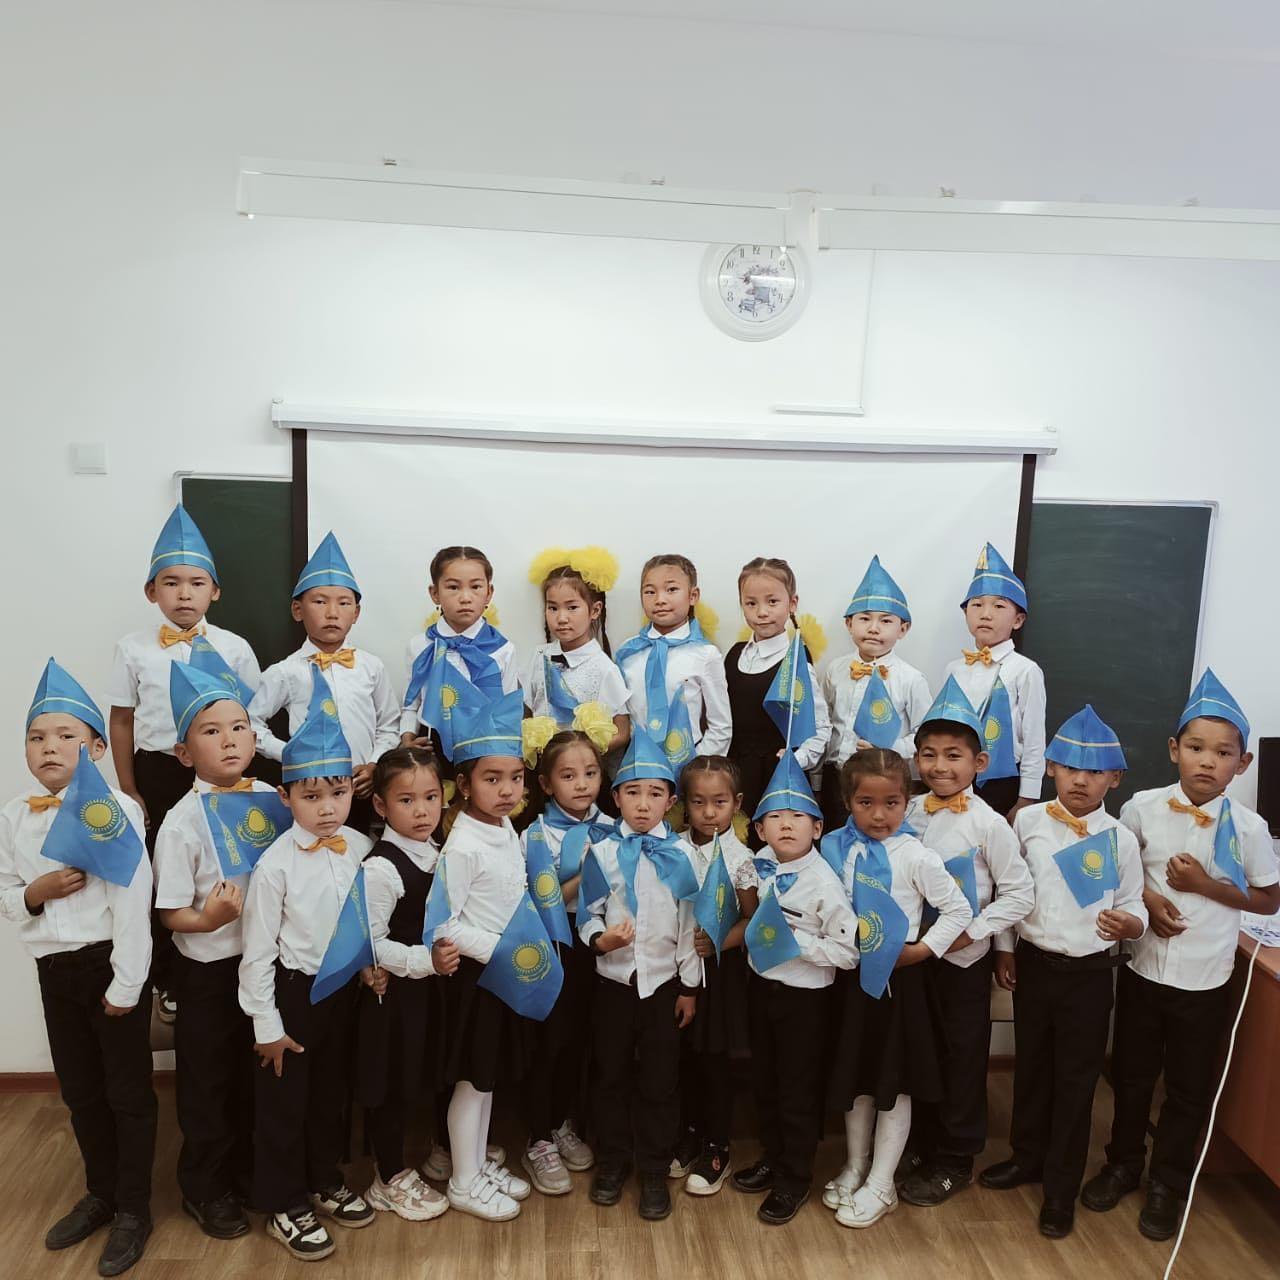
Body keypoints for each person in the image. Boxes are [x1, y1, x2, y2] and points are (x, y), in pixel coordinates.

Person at [1082, 671, 1280, 1241]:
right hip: (1143, 968)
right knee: (1132, 1074)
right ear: (1174, 750)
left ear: (1242, 764)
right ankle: (1123, 1163)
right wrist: (1150, 898)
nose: (1207, 762)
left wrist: (1205, 886)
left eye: (1223, 753)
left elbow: (1269, 898)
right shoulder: (1141, 809)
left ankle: (1168, 1182)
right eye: (1196, 747)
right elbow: (1120, 871)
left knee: (1189, 1088)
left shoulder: (1250, 828)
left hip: (1206, 978)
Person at [1, 660, 155, 1276]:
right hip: (54, 970)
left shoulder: (114, 808)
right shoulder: (15, 814)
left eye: (65, 735)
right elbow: (5, 893)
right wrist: (33, 893)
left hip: (108, 966)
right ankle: (102, 1193)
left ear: (95, 747)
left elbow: (133, 899)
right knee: (81, 1090)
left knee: (127, 1094)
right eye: (36, 737)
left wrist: (126, 984)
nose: (48, 747)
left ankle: (134, 1208)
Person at [981, 705, 1146, 1240]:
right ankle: (1026, 1156)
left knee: (1076, 1080)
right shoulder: (1026, 822)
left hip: (1090, 976)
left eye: (1095, 771)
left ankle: (1060, 1188)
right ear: (1051, 767)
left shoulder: (1120, 838)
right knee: (1032, 1066)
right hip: (1033, 964)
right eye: (1070, 767)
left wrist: (1131, 923)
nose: (1081, 780)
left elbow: (1134, 902)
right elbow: (1009, 891)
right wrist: (1004, 949)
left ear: (1114, 778)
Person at [238, 669, 375, 1261]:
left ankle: (322, 1178)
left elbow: (365, 922)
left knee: (328, 1096)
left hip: (343, 993)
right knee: (283, 1106)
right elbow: (257, 953)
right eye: (311, 796)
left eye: (337, 793)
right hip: (292, 997)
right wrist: (267, 1025)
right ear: (286, 797)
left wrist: (370, 966)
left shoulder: (361, 849)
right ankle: (283, 1200)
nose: (327, 809)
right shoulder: (275, 866)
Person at [109, 504, 260, 1021]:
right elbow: (122, 721)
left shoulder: (234, 648)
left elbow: (251, 718)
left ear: (214, 591)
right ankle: (168, 980)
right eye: (170, 583)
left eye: (196, 583)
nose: (184, 594)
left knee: (223, 863)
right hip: (158, 769)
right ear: (151, 591)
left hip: (222, 767)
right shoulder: (132, 648)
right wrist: (129, 788)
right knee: (163, 873)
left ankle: (236, 961)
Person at [154, 662, 279, 1241]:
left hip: (264, 964)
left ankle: (249, 1172)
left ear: (255, 739)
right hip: (209, 972)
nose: (228, 740)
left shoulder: (273, 800)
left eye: (238, 727)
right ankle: (205, 1187)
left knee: (255, 1076)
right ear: (184, 754)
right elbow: (170, 912)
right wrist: (207, 919)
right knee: (208, 1081)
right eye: (211, 731)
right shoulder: (180, 824)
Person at [823, 748, 973, 1230]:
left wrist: (922, 951)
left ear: (907, 801)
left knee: (895, 1082)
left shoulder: (916, 855)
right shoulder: (834, 848)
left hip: (900, 980)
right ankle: (856, 1165)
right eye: (865, 803)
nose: (878, 815)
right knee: (857, 1079)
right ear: (847, 801)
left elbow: (959, 910)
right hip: (851, 977)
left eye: (891, 803)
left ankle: (882, 1182)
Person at [898, 677, 1034, 1205]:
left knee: (962, 1056)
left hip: (962, 962)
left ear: (979, 763)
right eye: (929, 755)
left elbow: (1018, 894)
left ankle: (956, 1157)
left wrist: (974, 934)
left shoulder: (990, 824)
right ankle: (923, 1143)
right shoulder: (908, 812)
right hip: (915, 956)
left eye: (953, 756)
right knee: (922, 1051)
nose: (939, 766)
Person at [579, 730, 701, 1221]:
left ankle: (653, 1167)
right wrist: (600, 939)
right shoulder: (602, 853)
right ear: (616, 798)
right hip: (612, 984)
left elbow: (690, 927)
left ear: (671, 802)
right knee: (609, 1075)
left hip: (663, 987)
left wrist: (689, 987)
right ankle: (613, 1160)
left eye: (655, 794)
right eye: (633, 792)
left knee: (660, 1081)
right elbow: (588, 913)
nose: (644, 804)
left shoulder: (683, 857)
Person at [732, 753, 856, 1224]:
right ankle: (773, 1156)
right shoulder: (758, 865)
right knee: (764, 1081)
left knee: (796, 1091)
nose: (786, 825)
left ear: (818, 828)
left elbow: (848, 953)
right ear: (759, 830)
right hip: (761, 989)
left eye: (798, 816)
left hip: (804, 1001)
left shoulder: (824, 884)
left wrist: (794, 943)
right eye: (775, 817)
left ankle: (795, 1177)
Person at [434, 691, 539, 1222]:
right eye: (492, 779)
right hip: (476, 980)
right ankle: (462, 1180)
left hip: (502, 977)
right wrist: (501, 951)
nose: (506, 790)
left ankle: (476, 1165)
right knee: (472, 1081)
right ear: (464, 784)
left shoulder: (503, 827)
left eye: (515, 778)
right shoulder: (462, 845)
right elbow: (444, 924)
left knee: (488, 1077)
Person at [356, 745, 452, 1222]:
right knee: (391, 1083)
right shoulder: (380, 868)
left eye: (431, 798)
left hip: (432, 990)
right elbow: (371, 944)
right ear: (381, 805)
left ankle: (443, 1150)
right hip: (395, 996)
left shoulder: (439, 851)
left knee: (431, 1070)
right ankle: (388, 1176)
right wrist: (424, 961)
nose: (422, 812)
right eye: (407, 800)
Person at [249, 532, 400, 833]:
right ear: (298, 610)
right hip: (311, 789)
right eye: (319, 602)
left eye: (343, 603)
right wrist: (289, 754)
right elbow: (251, 723)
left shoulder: (371, 666)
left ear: (356, 613)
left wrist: (374, 764)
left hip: (361, 786)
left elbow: (389, 725)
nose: (332, 613)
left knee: (361, 847)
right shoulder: (286, 671)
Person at [519, 729, 609, 1195]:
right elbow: (542, 899)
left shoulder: (612, 826)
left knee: (580, 1040)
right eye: (568, 776)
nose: (582, 784)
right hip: (555, 943)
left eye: (590, 773)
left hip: (602, 942)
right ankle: (538, 1136)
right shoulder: (535, 834)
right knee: (550, 1042)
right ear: (546, 784)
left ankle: (562, 1123)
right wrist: (589, 871)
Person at [674, 755, 759, 1193]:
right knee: (683, 1057)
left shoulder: (741, 858)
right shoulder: (673, 849)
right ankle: (688, 1132)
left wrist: (720, 941)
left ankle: (716, 1145)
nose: (709, 812)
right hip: (676, 970)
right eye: (699, 802)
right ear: (683, 804)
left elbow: (753, 920)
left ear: (737, 803)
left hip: (718, 975)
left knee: (714, 1062)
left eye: (720, 802)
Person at [820, 557, 930, 832]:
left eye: (886, 620)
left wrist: (892, 750)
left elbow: (925, 734)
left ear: (903, 629)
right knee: (835, 838)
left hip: (884, 780)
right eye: (864, 618)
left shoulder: (911, 679)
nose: (873, 628)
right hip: (837, 777)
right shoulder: (836, 669)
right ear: (849, 624)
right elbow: (824, 722)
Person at [941, 543, 1045, 820]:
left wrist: (1026, 798)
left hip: (1003, 780)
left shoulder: (1025, 670)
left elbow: (1034, 739)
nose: (986, 614)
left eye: (999, 606)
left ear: (1018, 620)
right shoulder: (954, 669)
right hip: (955, 775)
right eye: (976, 605)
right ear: (965, 613)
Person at [725, 557, 830, 823]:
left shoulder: (796, 660)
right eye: (751, 603)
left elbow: (820, 726)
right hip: (736, 775)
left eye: (772, 602)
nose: (762, 612)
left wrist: (797, 759)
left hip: (778, 779)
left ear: (792, 603)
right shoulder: (734, 655)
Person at [400, 546, 520, 765]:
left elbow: (507, 712)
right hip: (431, 746)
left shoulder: (503, 649)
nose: (465, 597)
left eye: (475, 587)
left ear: (489, 593)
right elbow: (411, 702)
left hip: (484, 746)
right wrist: (407, 738)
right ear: (435, 593)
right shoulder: (420, 646)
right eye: (453, 587)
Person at [616, 554, 732, 772]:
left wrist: (695, 769)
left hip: (688, 766)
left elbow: (720, 726)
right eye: (650, 592)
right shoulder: (628, 652)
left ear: (693, 596)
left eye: (671, 590)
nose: (660, 599)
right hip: (637, 768)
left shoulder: (705, 654)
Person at [525, 546, 630, 756]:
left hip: (582, 767)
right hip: (543, 765)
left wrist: (582, 755)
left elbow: (622, 732)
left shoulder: (603, 668)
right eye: (553, 608)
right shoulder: (540, 656)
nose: (561, 618)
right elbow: (527, 710)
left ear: (595, 610)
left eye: (572, 607)